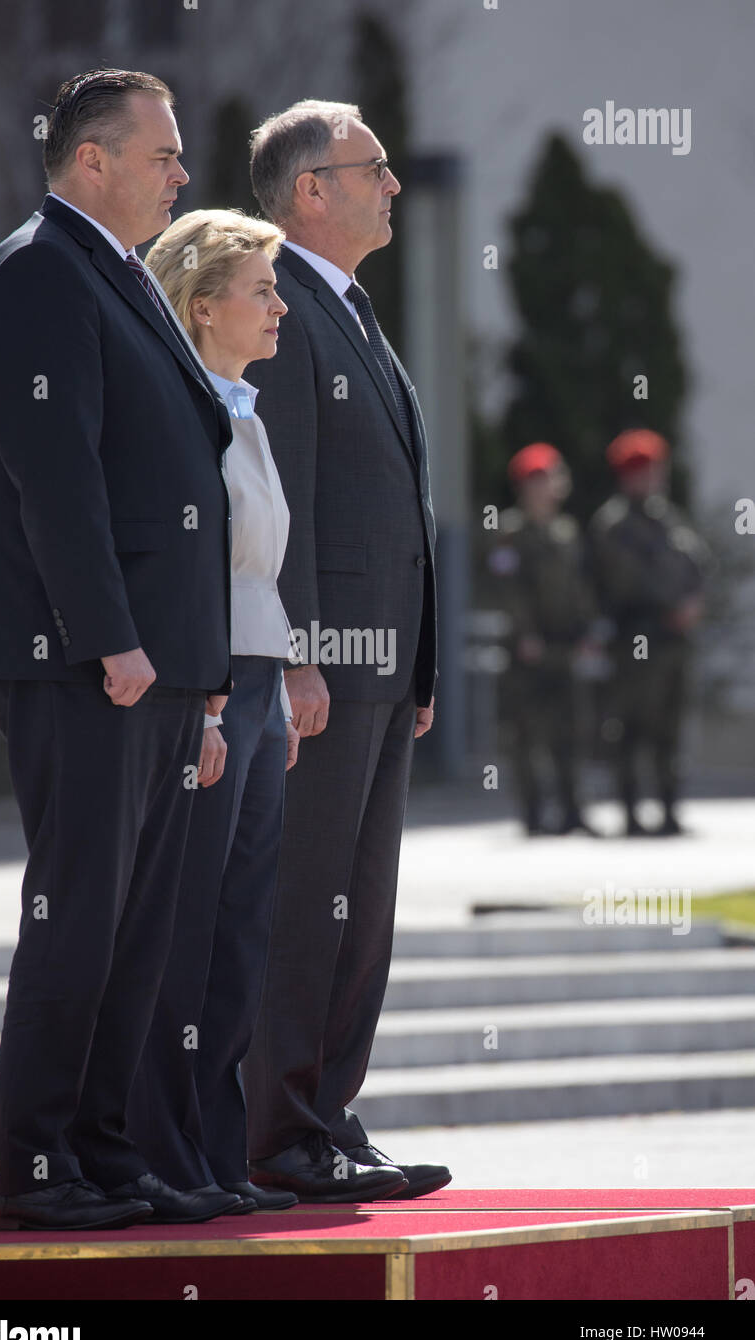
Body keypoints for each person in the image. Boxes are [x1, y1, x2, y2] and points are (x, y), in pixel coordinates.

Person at [0, 69, 244, 1230]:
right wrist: (112, 638)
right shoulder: (39, 270)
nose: (181, 173)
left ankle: (109, 1156)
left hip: (158, 665)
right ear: (90, 162)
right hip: (87, 662)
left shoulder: (115, 272)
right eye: (162, 154)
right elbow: (52, 477)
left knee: (140, 920)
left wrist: (195, 672)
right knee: (79, 911)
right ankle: (37, 1169)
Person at [240, 100, 450, 1202]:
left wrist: (416, 667)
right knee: (308, 898)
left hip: (380, 669)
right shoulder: (281, 309)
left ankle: (327, 1116)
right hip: (324, 671)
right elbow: (288, 505)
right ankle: (274, 1133)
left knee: (360, 909)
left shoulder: (350, 308)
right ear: (311, 189)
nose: (392, 185)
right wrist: (296, 656)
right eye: (373, 167)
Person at [126, 209, 308, 1211]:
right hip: (206, 681)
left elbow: (256, 571)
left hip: (255, 678)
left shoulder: (246, 407)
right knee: (184, 927)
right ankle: (161, 1153)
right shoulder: (180, 405)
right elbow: (186, 572)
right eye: (262, 290)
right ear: (203, 306)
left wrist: (275, 680)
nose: (280, 305)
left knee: (239, 927)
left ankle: (217, 1154)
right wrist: (203, 699)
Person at [587, 429, 709, 835]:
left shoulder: (668, 518)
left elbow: (696, 564)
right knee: (631, 727)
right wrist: (671, 606)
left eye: (655, 470)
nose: (651, 479)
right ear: (626, 476)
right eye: (642, 471)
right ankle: (631, 812)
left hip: (675, 642)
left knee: (670, 728)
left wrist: (692, 602)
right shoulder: (613, 524)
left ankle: (670, 810)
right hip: (637, 641)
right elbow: (625, 581)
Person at [485, 443, 599, 835]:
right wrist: (526, 635)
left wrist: (587, 631)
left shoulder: (566, 532)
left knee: (570, 729)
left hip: (565, 645)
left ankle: (572, 811)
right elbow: (508, 590)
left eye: (550, 478)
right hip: (528, 650)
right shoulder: (510, 533)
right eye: (538, 481)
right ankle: (534, 814)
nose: (547, 487)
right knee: (527, 733)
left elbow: (579, 588)